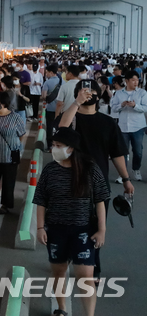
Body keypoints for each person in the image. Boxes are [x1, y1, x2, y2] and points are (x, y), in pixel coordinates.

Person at [57, 80, 135, 280]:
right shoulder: (71, 119)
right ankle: (64, 260)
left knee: (96, 227)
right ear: (77, 94)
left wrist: (126, 179)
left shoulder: (108, 123)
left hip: (98, 184)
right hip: (70, 181)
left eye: (91, 90)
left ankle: (92, 267)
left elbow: (117, 153)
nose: (87, 94)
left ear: (98, 95)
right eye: (83, 91)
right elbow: (62, 130)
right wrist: (75, 103)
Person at [33, 127, 109, 316]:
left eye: (58, 146)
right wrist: (40, 227)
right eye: (53, 145)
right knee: (58, 272)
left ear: (72, 148)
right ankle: (61, 309)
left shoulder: (90, 169)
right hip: (55, 229)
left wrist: (102, 230)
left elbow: (100, 200)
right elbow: (40, 200)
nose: (54, 149)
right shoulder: (50, 170)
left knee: (86, 277)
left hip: (83, 230)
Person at [0, 91, 26, 214]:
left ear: (3, 103)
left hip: (9, 157)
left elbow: (22, 135)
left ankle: (5, 206)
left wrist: (15, 146)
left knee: (8, 182)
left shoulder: (15, 117)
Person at [110, 70, 147, 181]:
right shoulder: (119, 93)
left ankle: (136, 169)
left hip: (138, 126)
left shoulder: (142, 93)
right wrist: (121, 105)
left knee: (138, 151)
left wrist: (135, 106)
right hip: (123, 126)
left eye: (137, 80)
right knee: (123, 151)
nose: (136, 82)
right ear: (126, 81)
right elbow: (113, 108)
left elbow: (145, 108)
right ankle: (123, 174)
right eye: (133, 80)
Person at [41, 64, 62, 151]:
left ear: (51, 72)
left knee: (49, 127)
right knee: (59, 127)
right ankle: (59, 145)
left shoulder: (47, 82)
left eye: (47, 72)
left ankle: (50, 146)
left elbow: (44, 96)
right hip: (61, 109)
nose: (46, 74)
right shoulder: (62, 82)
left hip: (50, 109)